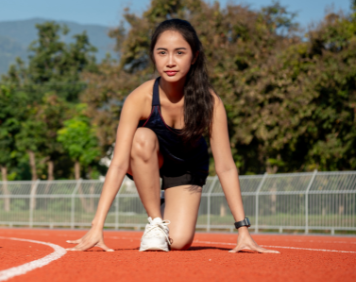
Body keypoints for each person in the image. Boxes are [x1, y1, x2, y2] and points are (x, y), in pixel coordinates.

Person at [67, 19, 278, 253]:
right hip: (147, 159)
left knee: (178, 242)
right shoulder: (139, 99)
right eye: (162, 53)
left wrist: (243, 230)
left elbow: (226, 167)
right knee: (141, 137)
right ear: (153, 56)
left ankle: (164, 204)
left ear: (194, 56)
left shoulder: (210, 103)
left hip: (186, 169)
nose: (170, 61)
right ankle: (156, 221)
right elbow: (118, 164)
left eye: (179, 53)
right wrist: (97, 226)